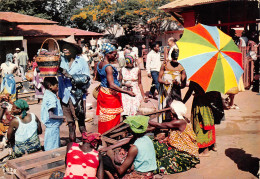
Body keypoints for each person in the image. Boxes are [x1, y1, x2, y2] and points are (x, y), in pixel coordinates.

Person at [148, 99, 200, 174]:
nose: (170, 113)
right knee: (154, 142)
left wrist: (146, 120)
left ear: (174, 112)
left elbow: (159, 125)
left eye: (171, 111)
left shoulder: (180, 122)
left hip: (186, 155)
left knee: (160, 165)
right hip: (178, 150)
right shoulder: (183, 119)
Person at [96, 43, 135, 134]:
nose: (116, 56)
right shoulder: (108, 67)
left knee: (104, 118)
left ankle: (103, 136)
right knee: (112, 120)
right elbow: (112, 85)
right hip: (111, 97)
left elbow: (98, 78)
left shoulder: (99, 64)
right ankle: (111, 137)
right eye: (114, 54)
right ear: (108, 54)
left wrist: (122, 84)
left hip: (103, 94)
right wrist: (127, 92)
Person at [58, 39, 91, 142]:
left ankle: (87, 146)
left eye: (67, 47)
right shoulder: (60, 60)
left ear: (73, 49)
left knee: (81, 124)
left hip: (78, 96)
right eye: (63, 47)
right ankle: (72, 149)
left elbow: (87, 80)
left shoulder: (81, 62)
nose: (65, 49)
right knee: (70, 125)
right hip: (65, 97)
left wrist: (70, 76)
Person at [183, 81, 216, 156]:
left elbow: (189, 92)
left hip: (201, 105)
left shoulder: (195, 79)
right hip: (204, 105)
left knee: (201, 126)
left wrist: (200, 94)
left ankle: (205, 150)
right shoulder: (210, 79)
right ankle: (208, 147)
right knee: (202, 125)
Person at [158, 50, 186, 122]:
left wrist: (178, 85)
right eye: (174, 59)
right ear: (171, 57)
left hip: (175, 94)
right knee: (164, 108)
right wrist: (164, 82)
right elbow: (159, 79)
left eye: (177, 59)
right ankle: (163, 125)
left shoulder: (182, 68)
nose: (175, 61)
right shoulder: (164, 65)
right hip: (165, 93)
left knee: (175, 110)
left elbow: (183, 85)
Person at [41, 77, 65, 151]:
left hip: (50, 126)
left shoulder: (47, 94)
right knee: (53, 148)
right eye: (56, 86)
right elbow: (51, 115)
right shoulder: (51, 97)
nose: (58, 87)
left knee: (50, 144)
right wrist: (63, 117)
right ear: (50, 86)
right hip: (52, 126)